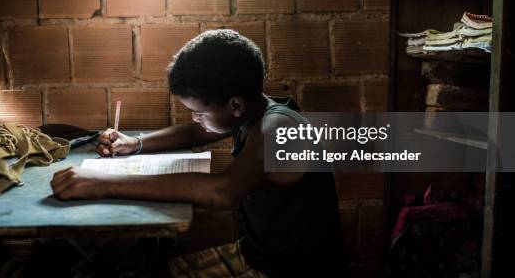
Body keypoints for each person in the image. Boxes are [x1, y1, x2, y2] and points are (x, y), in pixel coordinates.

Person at [51, 29, 348, 277]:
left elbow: (223, 191)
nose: (195, 119)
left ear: (235, 105)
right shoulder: (250, 113)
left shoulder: (277, 129)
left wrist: (102, 183)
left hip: (289, 271)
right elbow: (198, 132)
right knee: (153, 269)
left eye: (198, 112)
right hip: (261, 255)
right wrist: (136, 144)